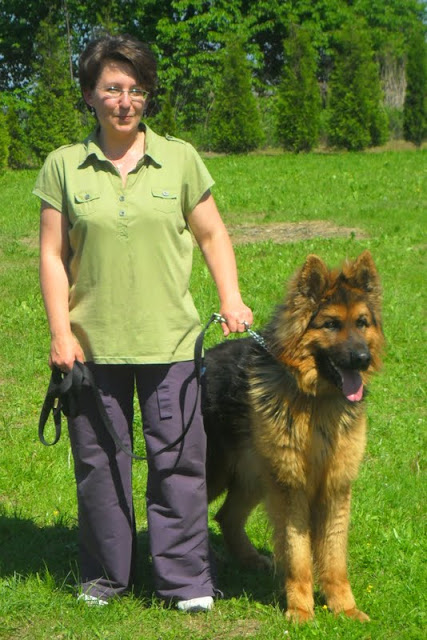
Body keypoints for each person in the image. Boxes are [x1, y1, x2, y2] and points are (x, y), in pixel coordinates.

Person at [33, 33, 252, 610]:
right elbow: (52, 255)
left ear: (147, 96)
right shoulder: (63, 166)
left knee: (179, 464)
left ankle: (186, 583)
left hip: (171, 341)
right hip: (91, 345)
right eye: (112, 89)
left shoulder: (179, 158)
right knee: (99, 466)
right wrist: (60, 333)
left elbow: (212, 234)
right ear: (89, 95)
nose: (125, 101)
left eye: (135, 90)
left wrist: (231, 297)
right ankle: (107, 579)